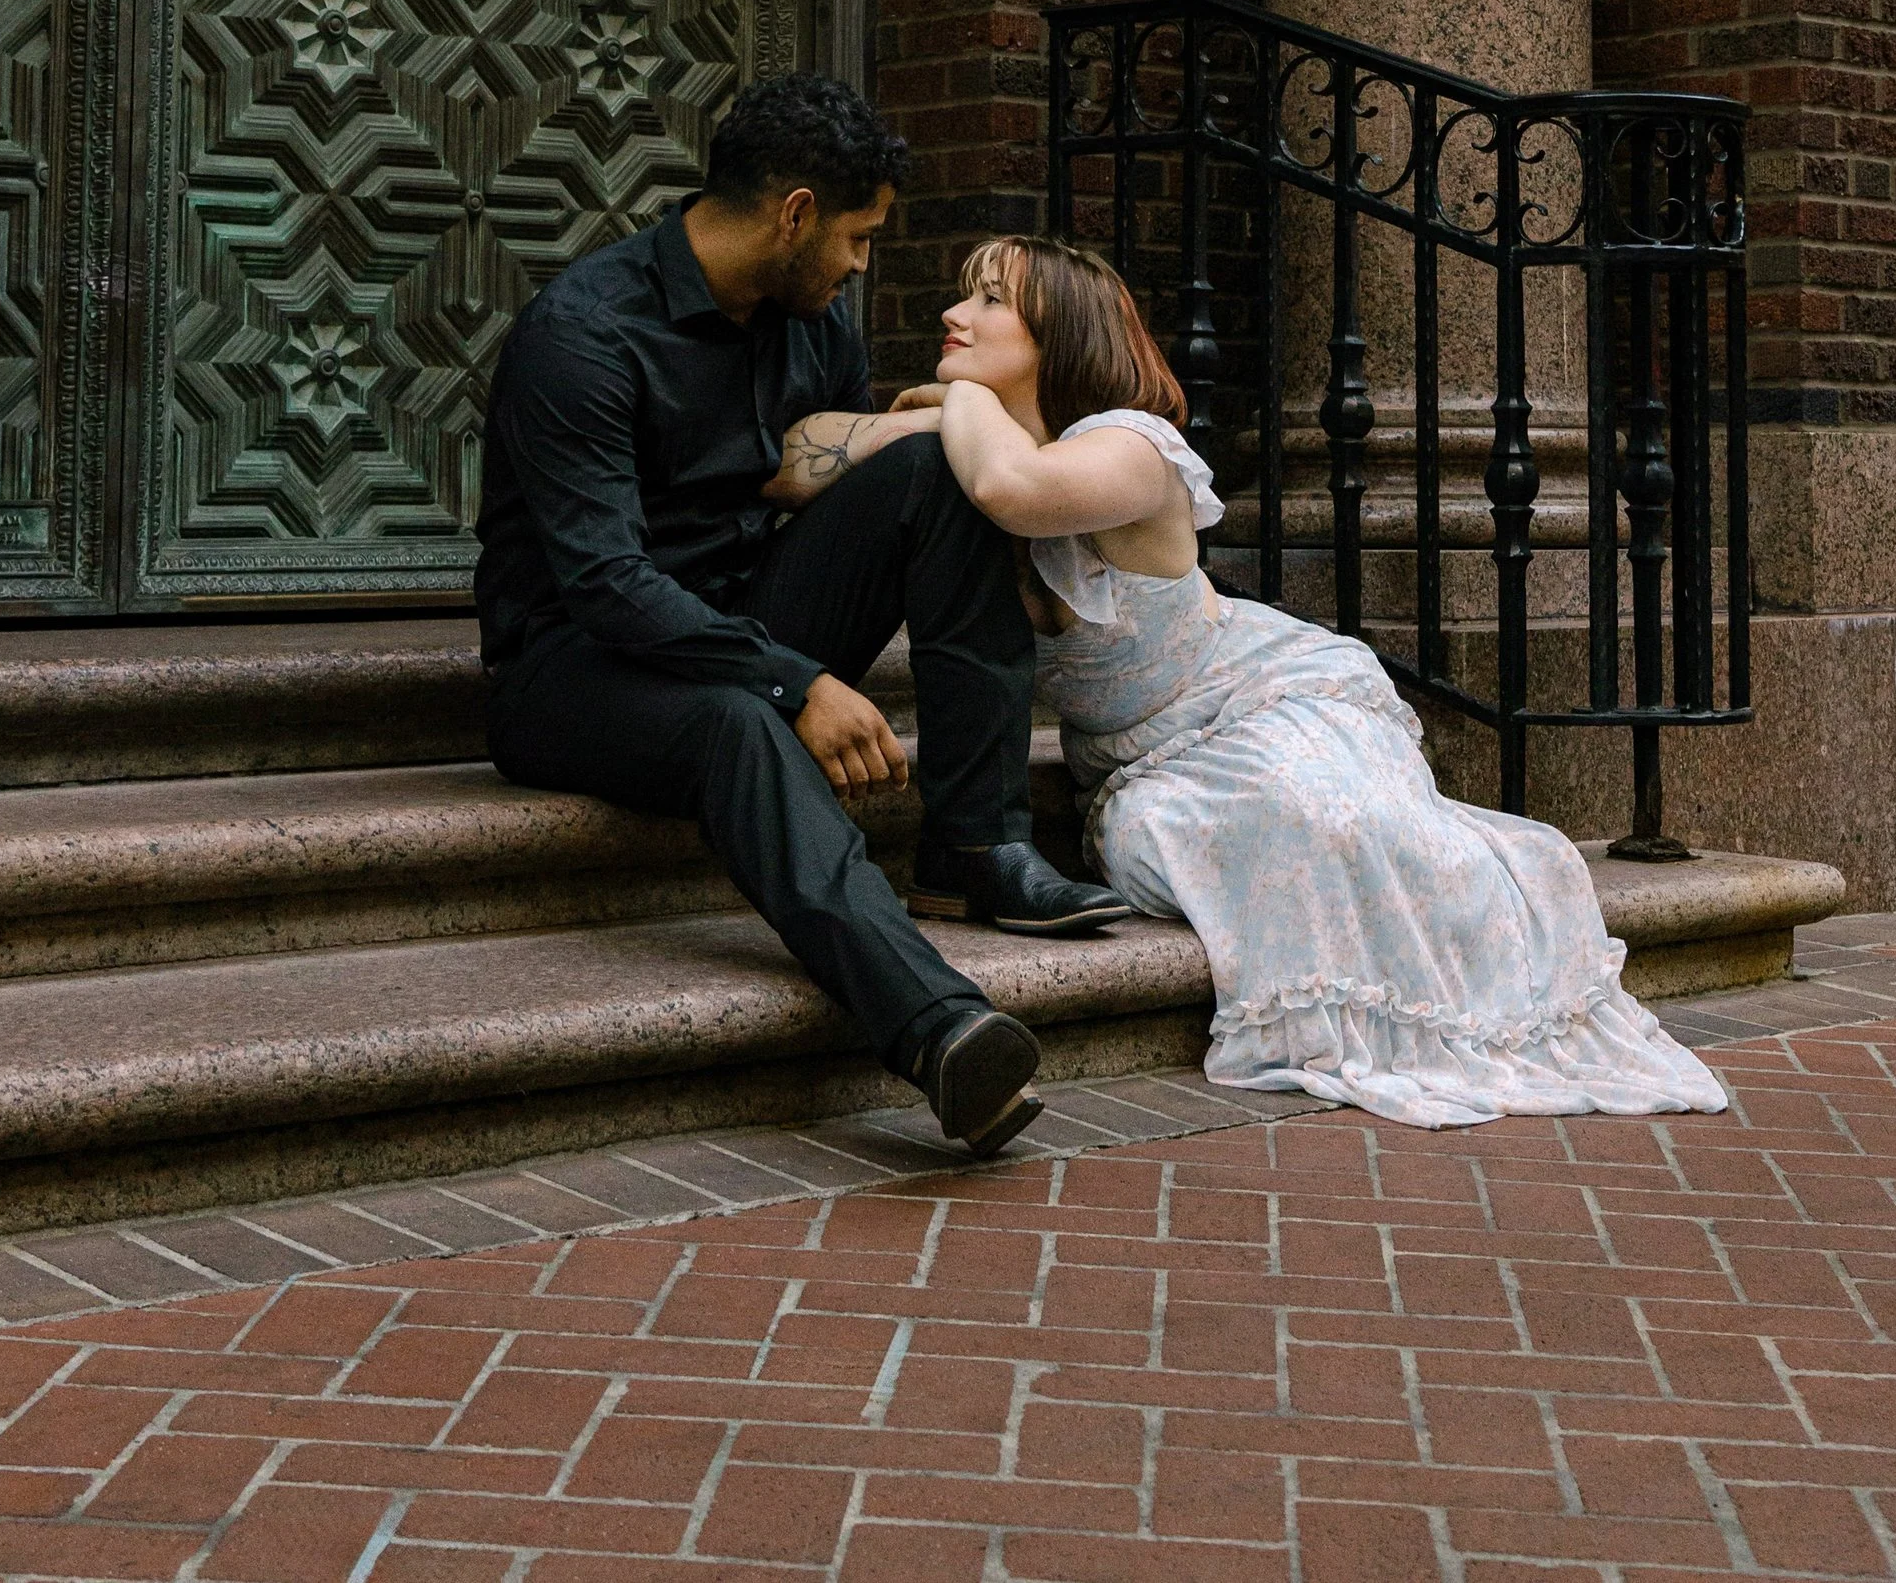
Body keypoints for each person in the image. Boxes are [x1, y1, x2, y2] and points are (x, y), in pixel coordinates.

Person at [883, 232, 1730, 1128]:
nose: (954, 313)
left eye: (989, 300)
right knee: (1157, 840)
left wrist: (959, 397)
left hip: (1263, 696)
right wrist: (939, 414)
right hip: (1141, 764)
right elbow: (809, 445)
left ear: (1058, 335)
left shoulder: (1131, 447)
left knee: (1325, 816)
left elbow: (1008, 484)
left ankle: (1464, 953)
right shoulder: (978, 442)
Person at [473, 75, 1129, 1163]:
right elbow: (606, 583)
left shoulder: (809, 323)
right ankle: (938, 1026)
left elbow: (832, 479)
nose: (863, 264)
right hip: (575, 666)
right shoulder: (583, 334)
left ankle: (976, 842)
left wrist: (928, 431)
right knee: (738, 719)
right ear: (794, 213)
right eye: (859, 236)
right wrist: (794, 680)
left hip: (743, 614)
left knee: (935, 473)